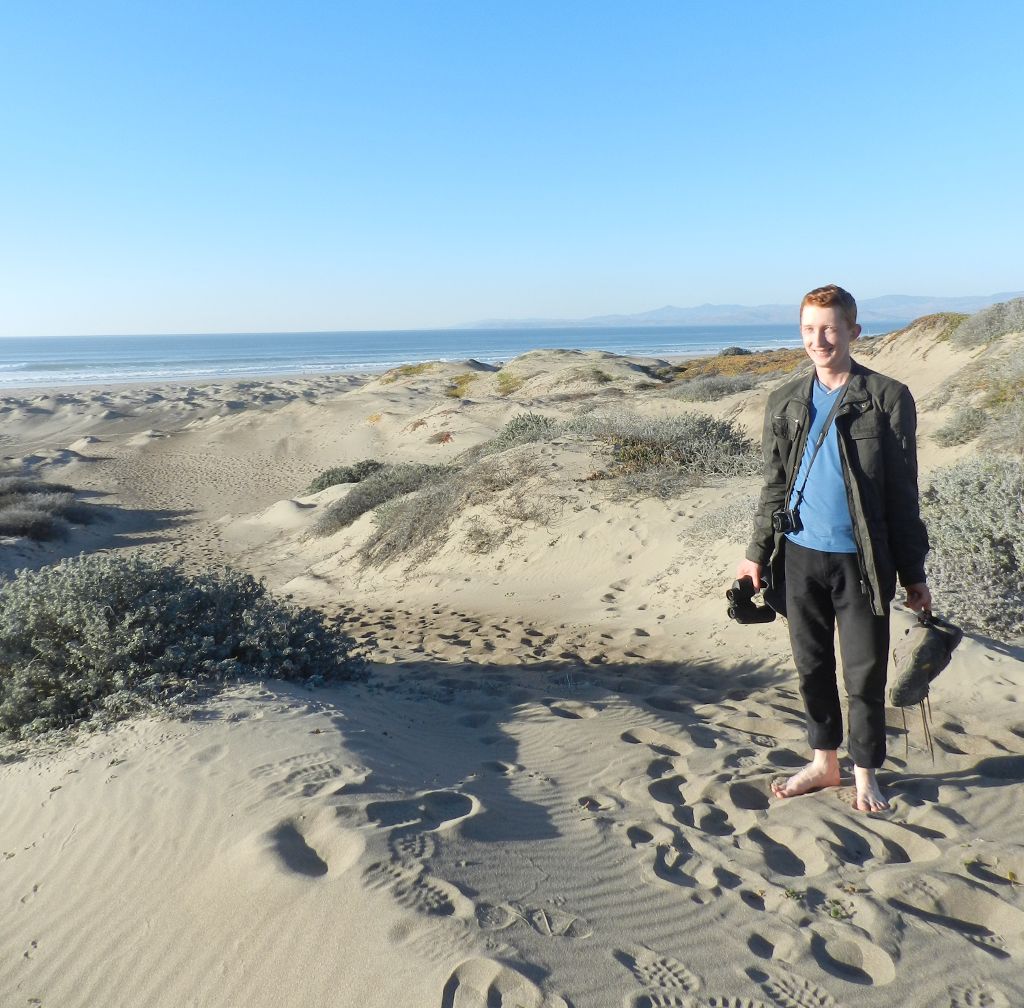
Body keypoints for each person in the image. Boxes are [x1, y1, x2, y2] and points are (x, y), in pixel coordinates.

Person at [737, 284, 931, 813]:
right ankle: (825, 762)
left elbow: (902, 492)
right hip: (798, 556)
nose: (817, 340)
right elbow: (774, 486)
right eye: (808, 329)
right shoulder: (785, 401)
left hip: (863, 560)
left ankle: (865, 772)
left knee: (864, 671)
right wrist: (756, 554)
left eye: (829, 328)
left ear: (853, 331)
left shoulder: (887, 397)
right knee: (811, 666)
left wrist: (913, 572)